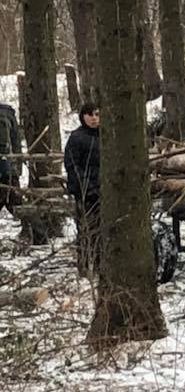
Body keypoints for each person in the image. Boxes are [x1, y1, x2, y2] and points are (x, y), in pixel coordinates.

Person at [64, 102, 101, 275]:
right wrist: (86, 187)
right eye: (90, 115)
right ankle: (85, 268)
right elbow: (72, 166)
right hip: (86, 194)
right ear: (83, 117)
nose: (94, 118)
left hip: (104, 192)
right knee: (86, 231)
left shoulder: (106, 136)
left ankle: (101, 266)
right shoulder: (77, 138)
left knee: (103, 232)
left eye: (96, 114)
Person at [0, 102, 22, 216]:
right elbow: (16, 142)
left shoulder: (5, 115)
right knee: (17, 207)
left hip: (6, 170)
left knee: (17, 206)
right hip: (10, 169)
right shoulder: (8, 113)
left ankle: (35, 231)